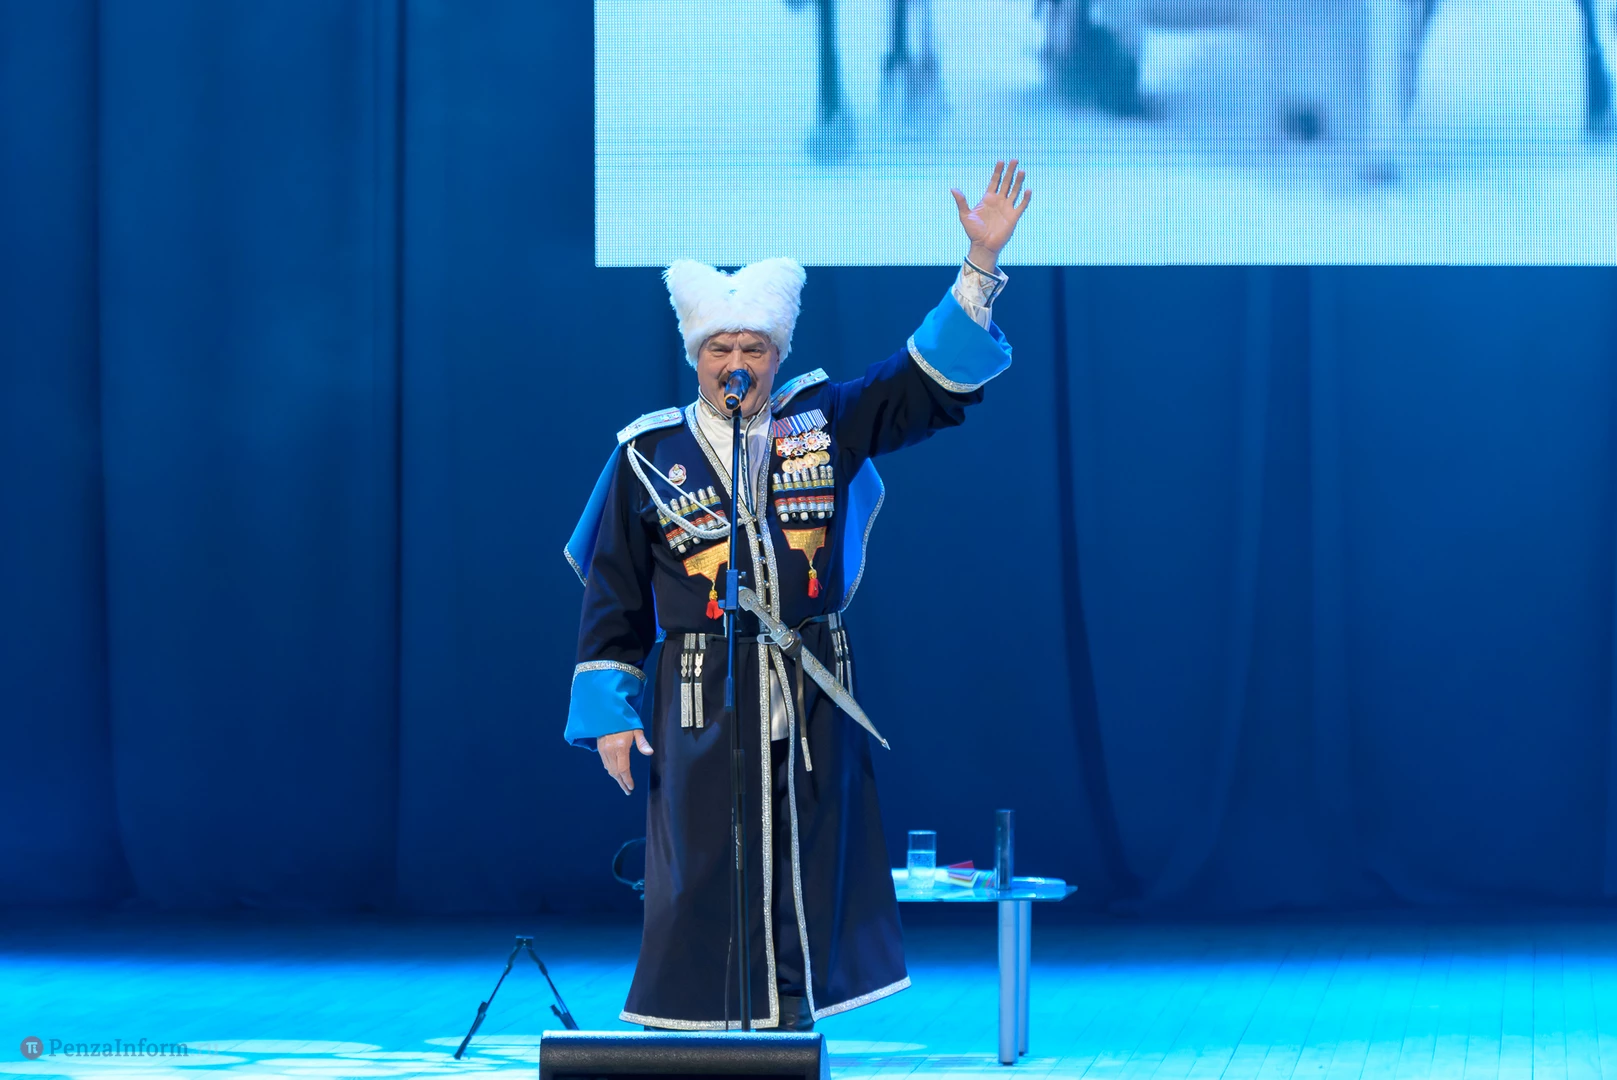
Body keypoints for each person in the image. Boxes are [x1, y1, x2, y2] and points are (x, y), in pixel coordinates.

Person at [563, 162, 1032, 1031]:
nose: (736, 363)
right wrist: (609, 717)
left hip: (808, 673)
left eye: (754, 349)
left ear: (777, 356)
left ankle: (791, 1011)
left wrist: (978, 266)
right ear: (695, 357)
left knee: (812, 848)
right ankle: (709, 1017)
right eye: (721, 349)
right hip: (699, 689)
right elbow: (612, 592)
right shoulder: (647, 455)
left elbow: (917, 385)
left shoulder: (822, 421)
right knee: (702, 857)